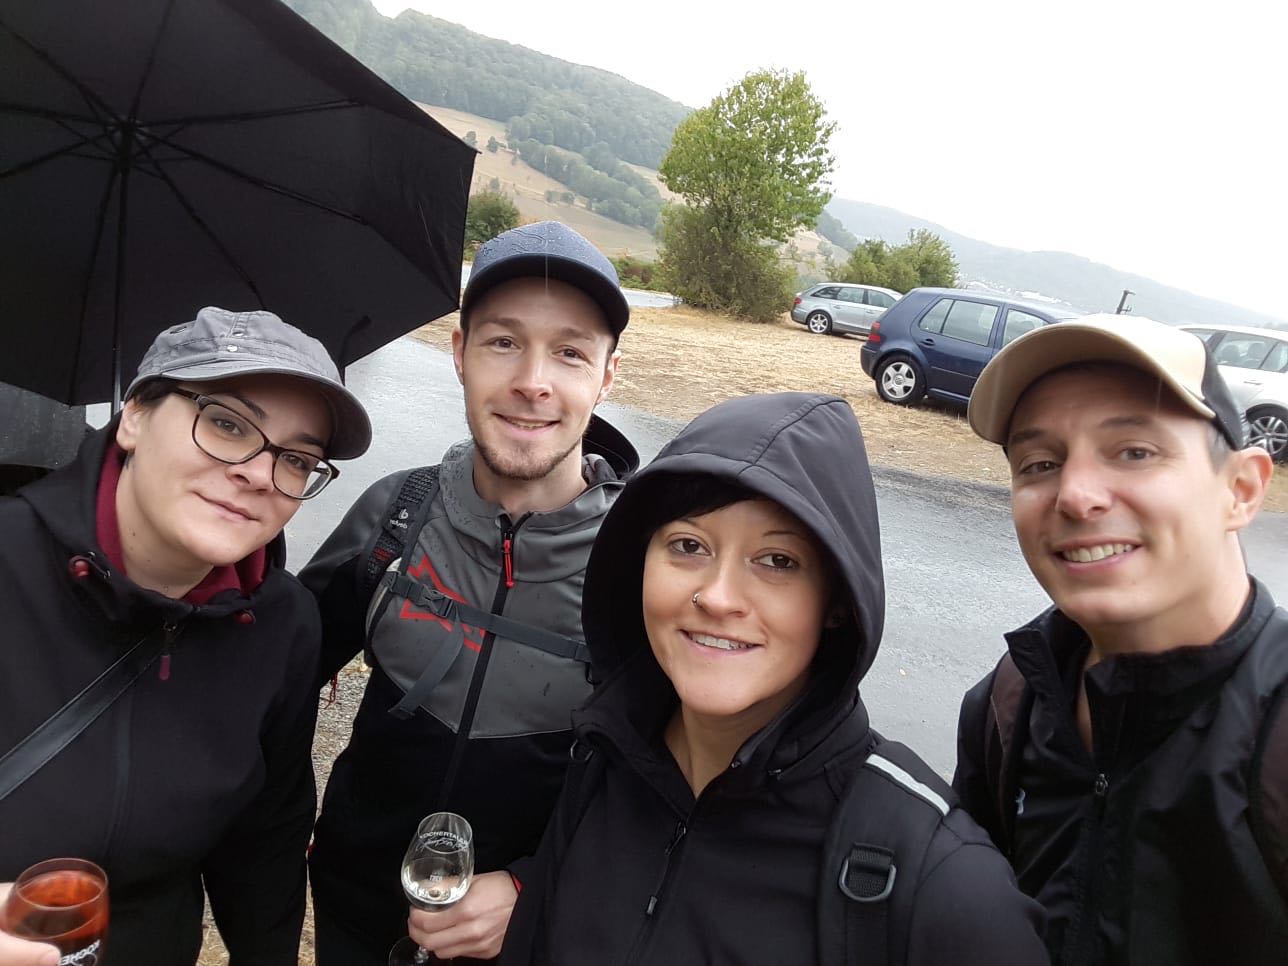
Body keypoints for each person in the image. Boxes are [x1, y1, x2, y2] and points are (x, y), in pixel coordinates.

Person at [500, 392, 1048, 965]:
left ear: (837, 602)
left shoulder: (941, 884)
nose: (718, 597)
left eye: (777, 561)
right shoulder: (604, 761)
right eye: (688, 546)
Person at [301, 221, 639, 963]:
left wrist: (533, 887)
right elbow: (272, 678)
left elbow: (662, 794)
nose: (533, 381)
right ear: (459, 354)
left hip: (532, 940)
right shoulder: (397, 515)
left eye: (571, 352)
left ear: (607, 376)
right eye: (503, 341)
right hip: (355, 915)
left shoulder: (639, 569)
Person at [0, 306, 372, 966]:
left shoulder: (282, 626)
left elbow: (265, 841)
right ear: (135, 416)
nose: (258, 473)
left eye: (296, 458)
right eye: (227, 423)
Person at [954, 314, 1288, 965]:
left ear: (1241, 490)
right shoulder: (1007, 705)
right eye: (1040, 463)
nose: (1076, 496)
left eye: (1134, 452)